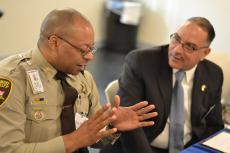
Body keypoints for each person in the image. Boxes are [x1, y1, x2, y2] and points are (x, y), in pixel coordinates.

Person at [0, 8, 158, 153]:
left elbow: (93, 140)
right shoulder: (12, 79)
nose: (90, 56)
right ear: (54, 42)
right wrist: (73, 141)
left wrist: (111, 127)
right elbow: (9, 150)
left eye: (92, 48)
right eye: (83, 50)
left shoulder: (83, 79)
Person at [99, 17, 224, 153]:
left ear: (204, 53)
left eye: (190, 47)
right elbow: (130, 127)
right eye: (176, 39)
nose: (177, 50)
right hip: (143, 147)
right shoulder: (141, 62)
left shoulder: (213, 74)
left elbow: (213, 125)